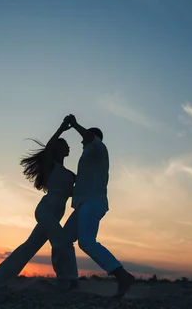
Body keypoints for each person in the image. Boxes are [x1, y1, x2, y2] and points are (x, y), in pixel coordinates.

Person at [0, 119, 78, 290]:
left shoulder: (70, 175)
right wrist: (61, 130)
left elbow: (77, 191)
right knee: (62, 241)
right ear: (58, 149)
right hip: (46, 209)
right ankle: (68, 279)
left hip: (56, 213)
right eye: (64, 145)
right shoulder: (51, 166)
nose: (68, 147)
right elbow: (49, 149)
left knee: (30, 246)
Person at [62, 114, 135, 297]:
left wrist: (75, 124)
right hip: (83, 203)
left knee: (86, 242)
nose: (81, 144)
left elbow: (87, 137)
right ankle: (72, 281)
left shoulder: (98, 147)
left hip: (93, 202)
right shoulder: (91, 158)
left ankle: (122, 275)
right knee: (63, 240)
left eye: (84, 140)